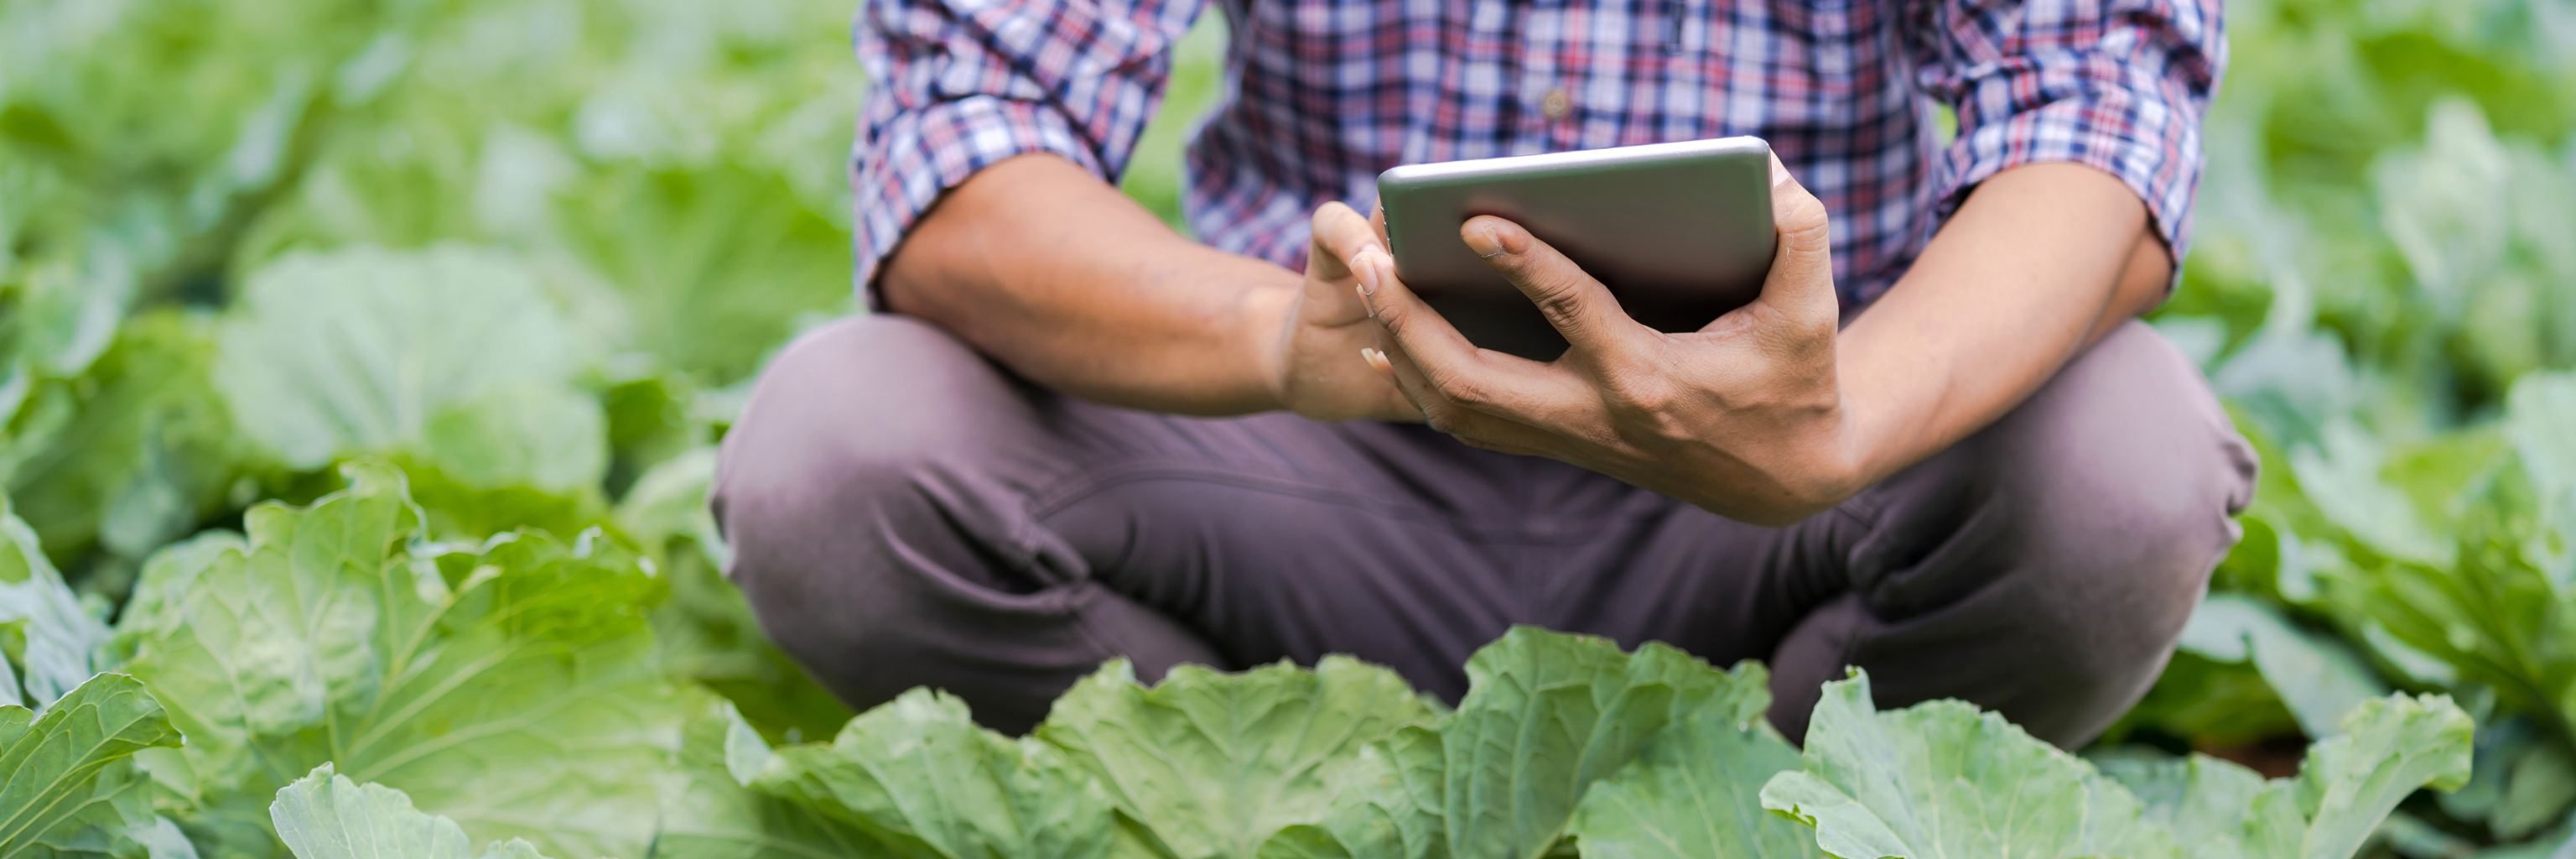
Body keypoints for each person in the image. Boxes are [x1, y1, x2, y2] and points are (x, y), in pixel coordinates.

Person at [710, 0, 2255, 747]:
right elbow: (965, 125)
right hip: (1306, 467)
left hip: (1777, 486)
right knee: (843, 449)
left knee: (2119, 469)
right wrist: (1274, 336)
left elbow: (2096, 105)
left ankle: (1755, 813)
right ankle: (1291, 803)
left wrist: (1846, 422)